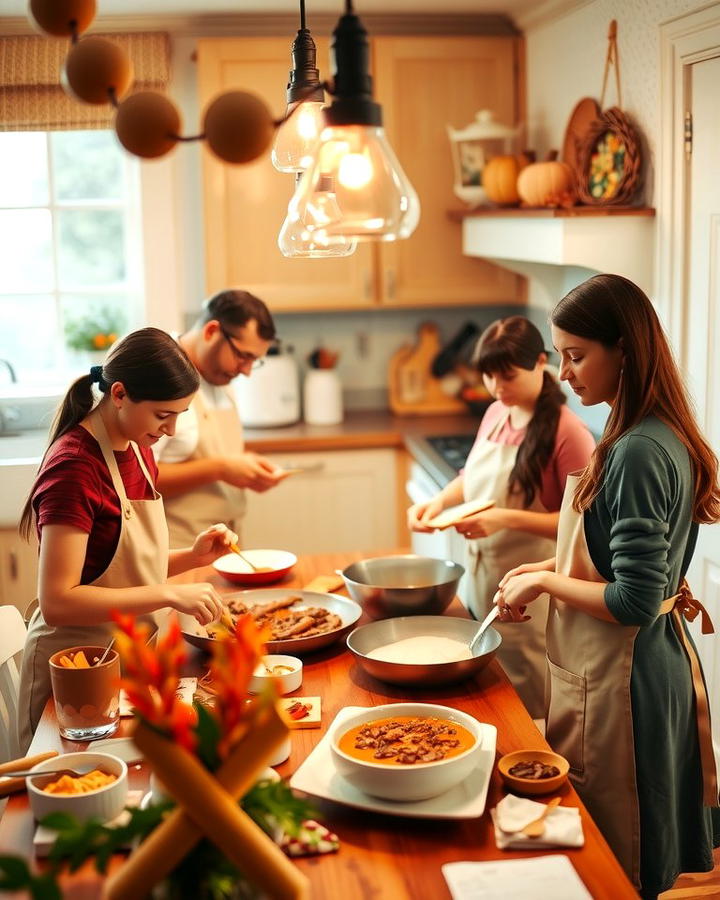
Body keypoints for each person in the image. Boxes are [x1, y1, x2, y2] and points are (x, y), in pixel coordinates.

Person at [495, 275, 720, 899]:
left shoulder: (640, 451)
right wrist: (542, 571)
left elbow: (634, 602)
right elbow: (612, 561)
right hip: (626, 670)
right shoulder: (639, 432)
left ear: (624, 349)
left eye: (575, 354)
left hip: (629, 680)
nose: (563, 372)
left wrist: (546, 580)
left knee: (618, 866)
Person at [17, 328, 234, 752]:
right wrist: (167, 595)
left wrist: (193, 556)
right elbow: (59, 601)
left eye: (180, 414)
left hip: (124, 665)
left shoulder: (138, 447)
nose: (171, 429)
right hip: (72, 682)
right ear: (119, 394)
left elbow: (114, 570)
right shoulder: (74, 469)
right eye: (162, 415)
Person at [407, 316, 595, 718]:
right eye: (489, 376)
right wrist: (438, 503)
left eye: (506, 376)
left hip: (532, 591)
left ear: (540, 362)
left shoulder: (569, 433)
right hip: (483, 578)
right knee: (486, 688)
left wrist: (504, 519)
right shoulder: (496, 413)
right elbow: (469, 475)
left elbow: (582, 527)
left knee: (525, 699)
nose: (496, 387)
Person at [154, 290, 289, 548]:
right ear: (211, 331)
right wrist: (221, 468)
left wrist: (245, 467)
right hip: (177, 551)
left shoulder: (219, 374)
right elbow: (136, 480)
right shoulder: (160, 376)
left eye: (254, 361)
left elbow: (208, 450)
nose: (247, 371)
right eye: (243, 356)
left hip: (226, 547)